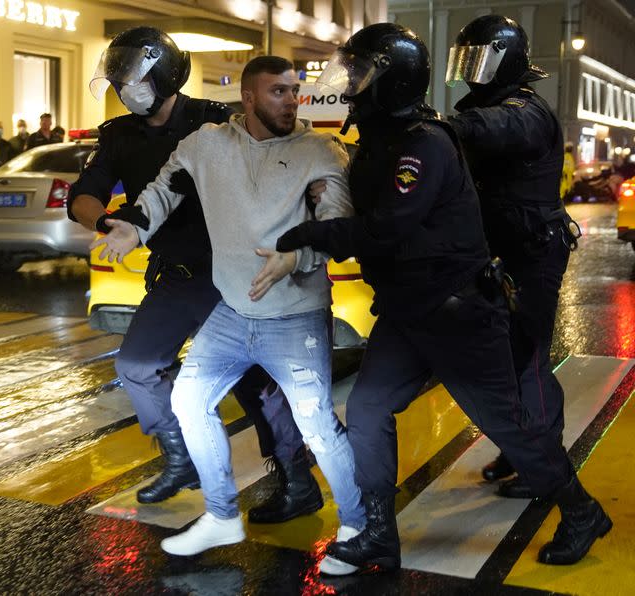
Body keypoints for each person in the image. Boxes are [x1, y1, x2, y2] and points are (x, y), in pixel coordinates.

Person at [275, 23, 612, 574]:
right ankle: (380, 534)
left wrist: (314, 235)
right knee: (366, 408)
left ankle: (580, 510)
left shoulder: (429, 142)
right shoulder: (383, 141)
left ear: (393, 82)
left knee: (508, 420)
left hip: (460, 311)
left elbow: (387, 229)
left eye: (362, 75)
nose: (351, 85)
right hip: (408, 310)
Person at [97, 55, 365, 560]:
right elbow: (163, 191)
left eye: (294, 90)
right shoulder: (207, 145)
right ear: (248, 98)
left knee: (317, 427)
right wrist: (134, 226)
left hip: (295, 315)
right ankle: (221, 515)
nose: (291, 100)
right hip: (231, 312)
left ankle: (356, 526)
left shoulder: (320, 150)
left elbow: (338, 225)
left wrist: (297, 254)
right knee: (189, 401)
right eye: (278, 92)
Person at [68, 30, 323, 523]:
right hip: (178, 277)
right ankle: (181, 457)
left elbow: (286, 153)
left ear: (166, 75)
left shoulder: (214, 119)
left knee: (257, 384)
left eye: (135, 79)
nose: (128, 89)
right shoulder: (119, 135)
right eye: (121, 82)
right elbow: (85, 192)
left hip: (232, 277)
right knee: (138, 364)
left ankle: (297, 480)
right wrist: (104, 221)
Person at [446, 15, 581, 499]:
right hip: (503, 252)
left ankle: (544, 460)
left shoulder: (523, 110)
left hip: (534, 254)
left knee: (527, 357)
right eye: (465, 61)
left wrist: (435, 125)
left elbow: (496, 129)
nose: (470, 72)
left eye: (479, 61)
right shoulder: (486, 107)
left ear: (507, 63)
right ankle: (522, 447)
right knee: (504, 358)